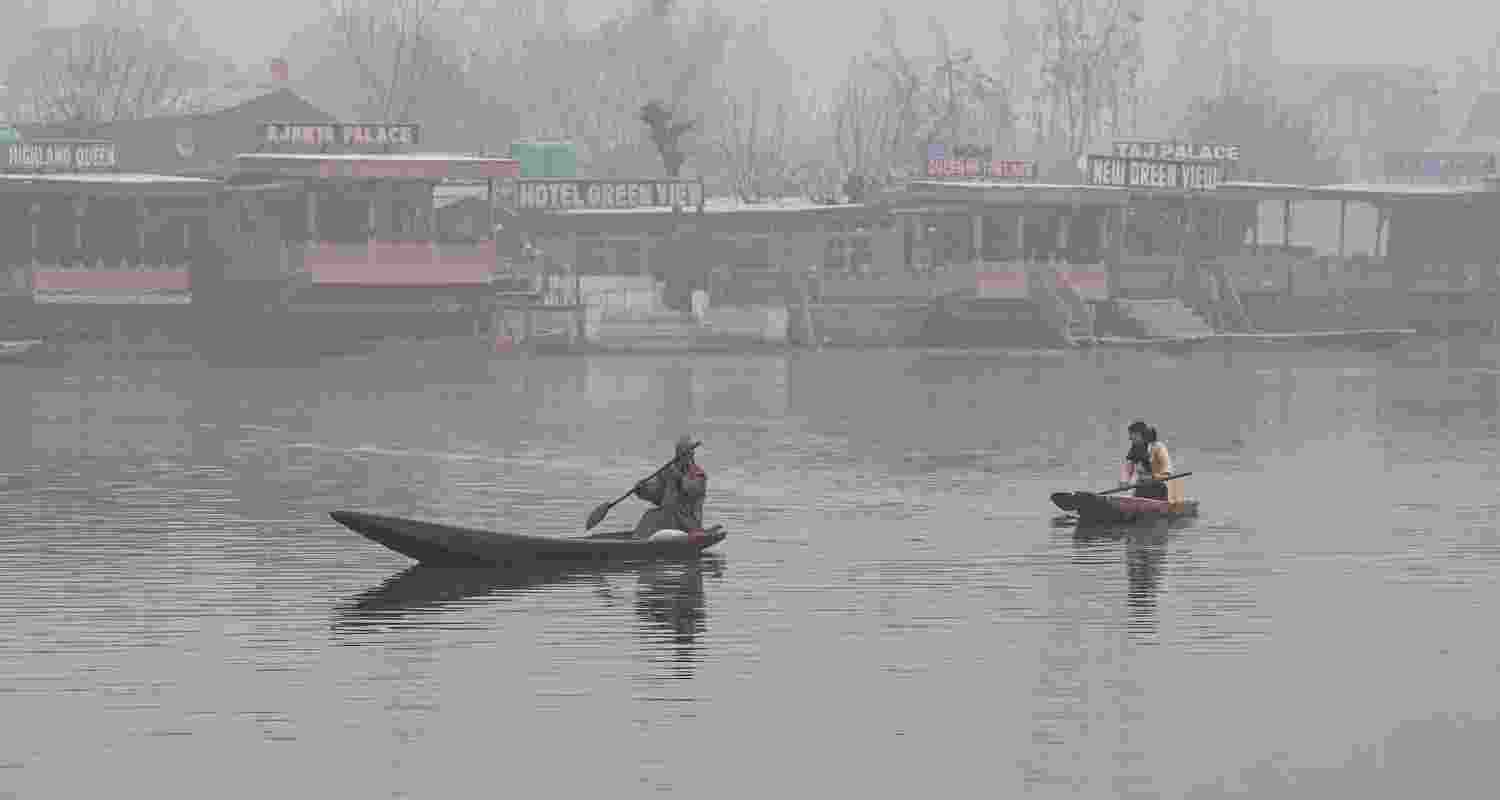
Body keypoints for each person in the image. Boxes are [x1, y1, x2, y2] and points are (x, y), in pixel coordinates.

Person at [632, 435, 708, 538]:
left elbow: (693, 490)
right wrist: (642, 489)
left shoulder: (698, 475)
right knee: (650, 516)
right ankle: (638, 541)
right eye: (680, 453)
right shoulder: (667, 472)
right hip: (665, 516)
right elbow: (655, 492)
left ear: (691, 455)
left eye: (686, 453)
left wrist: (679, 478)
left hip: (687, 522)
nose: (682, 456)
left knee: (664, 517)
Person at [1120, 421, 1184, 504]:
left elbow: (1167, 472)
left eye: (1133, 437)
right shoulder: (1134, 449)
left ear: (1141, 435)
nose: (1131, 439)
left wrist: (1153, 477)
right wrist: (1124, 481)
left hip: (1158, 489)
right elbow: (1128, 468)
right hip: (1141, 488)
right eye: (1131, 438)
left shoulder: (1159, 447)